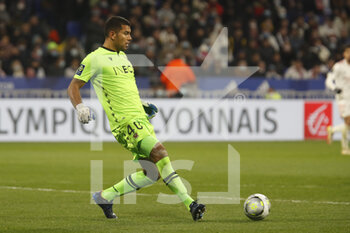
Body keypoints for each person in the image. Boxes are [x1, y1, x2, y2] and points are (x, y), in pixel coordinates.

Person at [67, 16, 206, 221]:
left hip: (140, 120)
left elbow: (124, 91)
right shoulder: (94, 58)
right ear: (112, 34)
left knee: (151, 174)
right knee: (160, 152)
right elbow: (73, 86)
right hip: (125, 124)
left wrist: (142, 106)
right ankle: (191, 204)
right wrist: (80, 107)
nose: (130, 37)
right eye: (126, 33)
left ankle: (105, 196)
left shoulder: (124, 58)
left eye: (130, 33)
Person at [325, 44, 350, 155]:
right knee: (348, 121)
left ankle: (332, 130)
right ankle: (344, 148)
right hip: (342, 97)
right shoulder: (338, 66)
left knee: (348, 124)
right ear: (344, 54)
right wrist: (335, 88)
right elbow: (329, 79)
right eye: (348, 52)